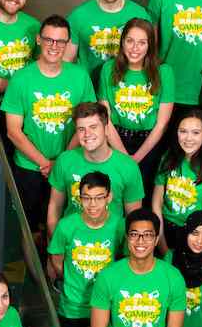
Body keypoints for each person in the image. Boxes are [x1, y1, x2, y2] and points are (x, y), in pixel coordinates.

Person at [2, 14, 96, 232]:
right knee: (29, 228)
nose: (54, 46)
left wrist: (61, 162)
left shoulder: (79, 76)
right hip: (30, 168)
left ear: (67, 44)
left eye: (61, 41)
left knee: (65, 226)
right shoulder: (21, 79)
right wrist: (45, 163)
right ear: (38, 40)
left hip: (69, 164)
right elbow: (13, 131)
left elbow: (89, 123)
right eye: (49, 40)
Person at [48, 170, 125, 327]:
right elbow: (56, 259)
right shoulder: (67, 226)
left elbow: (123, 261)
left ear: (109, 197)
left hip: (105, 308)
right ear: (79, 198)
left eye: (99, 198)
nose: (92, 205)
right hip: (72, 308)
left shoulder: (119, 225)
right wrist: (72, 282)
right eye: (87, 198)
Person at [90, 208, 186, 327]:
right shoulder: (108, 276)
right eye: (134, 234)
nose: (140, 240)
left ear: (156, 239)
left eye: (148, 235)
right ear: (127, 238)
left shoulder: (173, 277)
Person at [98, 17, 175, 197]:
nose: (135, 48)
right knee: (115, 193)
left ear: (150, 45)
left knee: (144, 196)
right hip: (116, 139)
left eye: (142, 43)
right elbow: (105, 119)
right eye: (130, 41)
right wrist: (125, 157)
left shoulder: (164, 72)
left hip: (150, 143)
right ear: (122, 42)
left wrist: (137, 158)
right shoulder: (108, 69)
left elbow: (162, 123)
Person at [46, 102, 144, 237]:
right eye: (81, 129)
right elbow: (55, 207)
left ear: (106, 129)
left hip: (112, 245)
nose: (87, 134)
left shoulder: (128, 167)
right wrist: (55, 245)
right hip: (72, 242)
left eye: (93, 127)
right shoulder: (65, 160)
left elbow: (134, 219)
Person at [66, 0, 151, 82]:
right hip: (90, 94)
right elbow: (67, 62)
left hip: (125, 93)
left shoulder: (140, 15)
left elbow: (149, 59)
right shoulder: (78, 16)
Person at [152, 108, 202, 252]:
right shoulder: (168, 158)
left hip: (195, 237)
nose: (188, 138)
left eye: (196, 133)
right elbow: (157, 203)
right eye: (183, 131)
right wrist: (163, 247)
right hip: (163, 231)